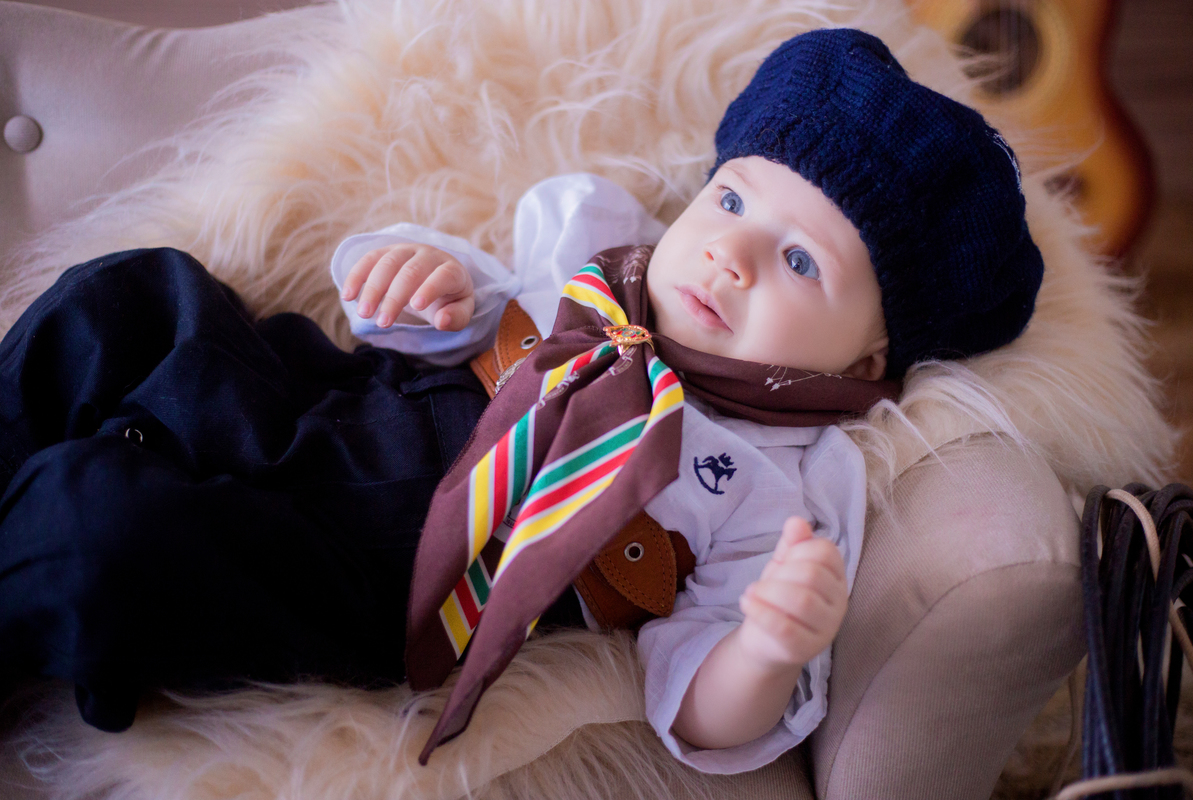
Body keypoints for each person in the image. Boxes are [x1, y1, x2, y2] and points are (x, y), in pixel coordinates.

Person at [0, 28, 1041, 774]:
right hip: (326, 392)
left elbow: (700, 705)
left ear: (869, 358)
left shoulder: (779, 483)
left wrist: (767, 650)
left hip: (385, 561)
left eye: (800, 260)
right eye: (731, 199)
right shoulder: (598, 247)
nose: (731, 253)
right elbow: (447, 313)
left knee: (98, 529)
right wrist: (419, 279)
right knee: (130, 295)